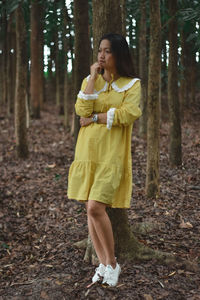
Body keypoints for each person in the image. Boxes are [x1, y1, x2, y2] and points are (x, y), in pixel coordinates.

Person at [67, 33, 141, 287]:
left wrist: (96, 118)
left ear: (118, 54)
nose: (101, 55)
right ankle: (103, 263)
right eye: (100, 50)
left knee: (95, 207)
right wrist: (91, 80)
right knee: (90, 207)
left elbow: (128, 113)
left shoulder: (132, 85)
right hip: (88, 152)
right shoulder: (92, 81)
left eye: (107, 51)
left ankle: (112, 263)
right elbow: (81, 110)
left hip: (111, 155)